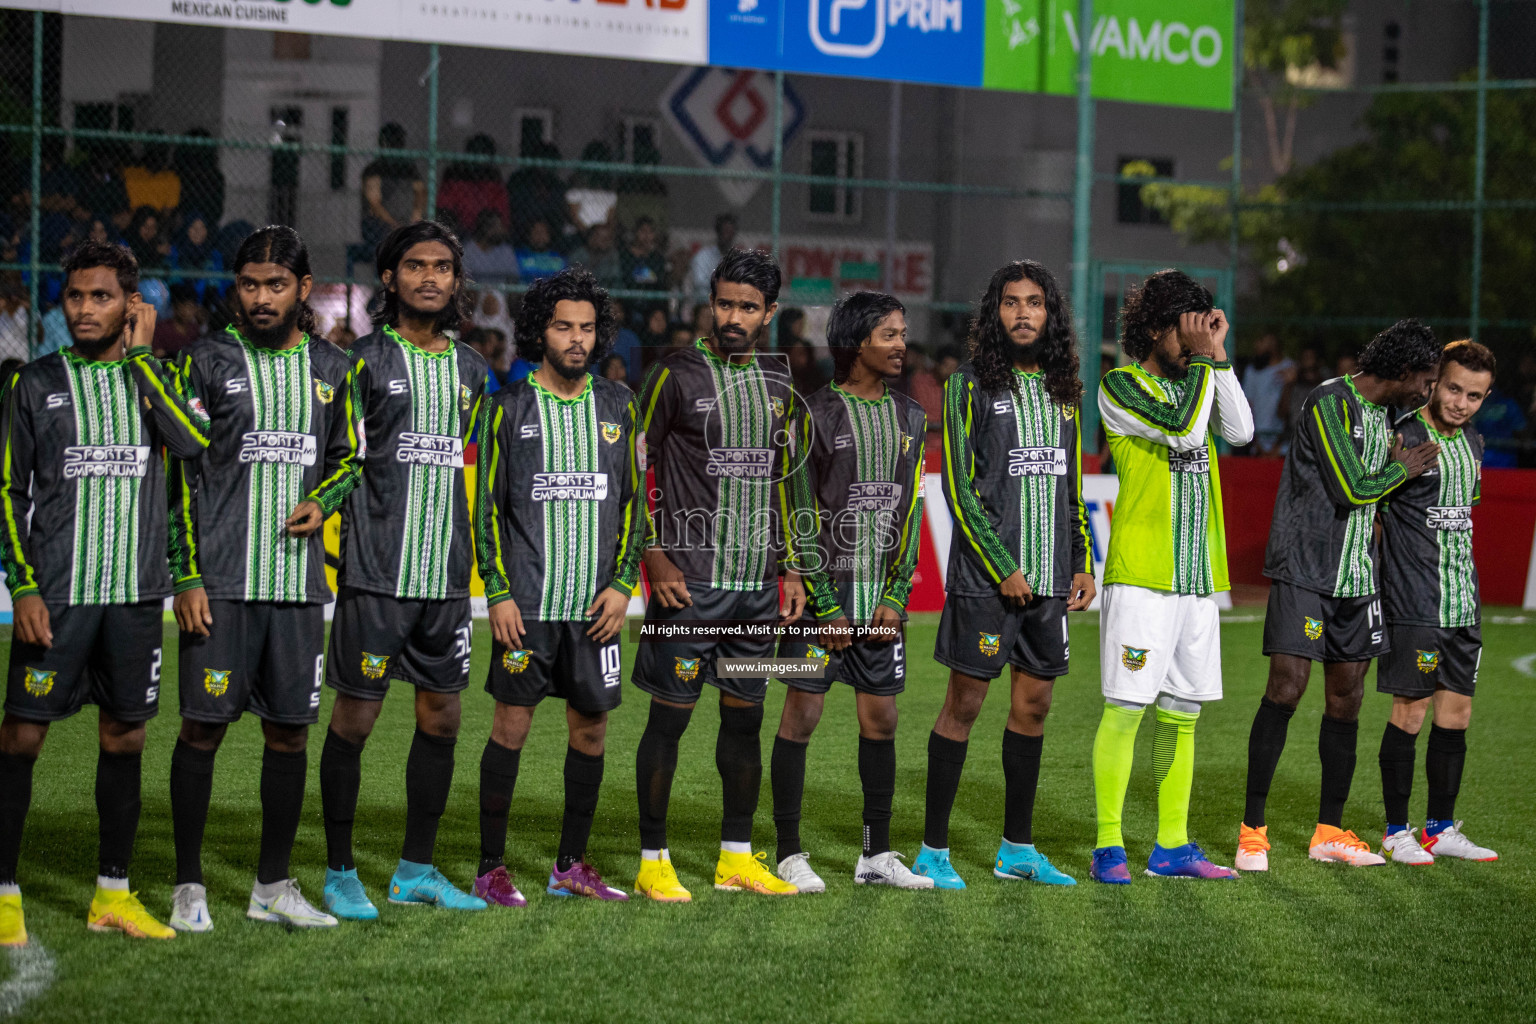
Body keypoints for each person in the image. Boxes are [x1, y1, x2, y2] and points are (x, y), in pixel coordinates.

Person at [0, 241, 209, 948]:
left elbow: (190, 451)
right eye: (75, 297)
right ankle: (3, 895)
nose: (85, 310)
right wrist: (22, 585)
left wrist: (146, 361)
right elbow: (7, 490)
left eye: (101, 298)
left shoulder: (157, 378)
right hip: (54, 600)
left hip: (133, 600)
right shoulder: (32, 383)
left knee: (125, 737)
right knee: (22, 737)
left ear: (131, 306)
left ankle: (112, 894)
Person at [165, 225, 362, 931]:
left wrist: (324, 499)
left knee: (288, 737)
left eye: (275, 284)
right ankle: (189, 888)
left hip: (298, 588)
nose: (259, 297)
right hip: (219, 583)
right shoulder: (206, 361)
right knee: (201, 731)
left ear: (303, 289)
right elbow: (180, 474)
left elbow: (349, 458)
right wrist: (185, 574)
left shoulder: (336, 369)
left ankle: (271, 887)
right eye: (248, 284)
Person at [317, 221, 490, 921]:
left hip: (446, 582)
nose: (429, 277)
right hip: (375, 576)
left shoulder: (474, 370)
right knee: (356, 720)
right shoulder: (358, 362)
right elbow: (342, 462)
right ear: (388, 279)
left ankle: (415, 870)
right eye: (415, 265)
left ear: (456, 280)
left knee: (443, 719)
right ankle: (338, 872)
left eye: (443, 266)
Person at [912, 260, 1094, 890]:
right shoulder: (967, 388)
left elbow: (1071, 485)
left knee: (1035, 707)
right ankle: (933, 851)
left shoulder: (1064, 389)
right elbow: (959, 490)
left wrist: (1080, 560)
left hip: (1047, 583)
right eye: (1011, 302)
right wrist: (1004, 567)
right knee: (964, 704)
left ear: (1051, 314)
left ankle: (1017, 848)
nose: (1023, 313)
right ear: (995, 313)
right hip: (989, 582)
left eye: (1035, 302)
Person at [631, 248, 805, 901]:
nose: (734, 316)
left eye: (748, 307)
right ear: (711, 303)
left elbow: (783, 482)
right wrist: (650, 552)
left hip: (755, 593)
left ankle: (735, 856)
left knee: (743, 721)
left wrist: (789, 567)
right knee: (669, 722)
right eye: (725, 303)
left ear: (770, 313)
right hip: (690, 583)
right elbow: (631, 468)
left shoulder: (778, 384)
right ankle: (653, 858)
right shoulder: (672, 375)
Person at [1236, 319, 1442, 871]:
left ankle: (1330, 830)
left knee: (1347, 698)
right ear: (1402, 372)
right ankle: (1252, 831)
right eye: (1425, 380)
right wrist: (1398, 470)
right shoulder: (1330, 401)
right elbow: (1351, 488)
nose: (1427, 392)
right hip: (1306, 567)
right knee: (1286, 688)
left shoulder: (1391, 417)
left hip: (1359, 575)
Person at [473, 267, 643, 906]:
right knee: (510, 728)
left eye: (588, 328)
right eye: (564, 327)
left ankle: (571, 865)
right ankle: (490, 867)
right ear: (539, 331)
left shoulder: (620, 407)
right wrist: (498, 590)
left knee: (591, 733)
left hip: (595, 610)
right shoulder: (505, 408)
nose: (577, 339)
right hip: (529, 609)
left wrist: (624, 583)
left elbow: (634, 504)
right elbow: (486, 507)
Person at [1090, 270, 1254, 884]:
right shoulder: (1120, 386)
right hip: (1142, 577)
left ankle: (1172, 847)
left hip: (1196, 578)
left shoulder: (1201, 379)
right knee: (1127, 708)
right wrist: (1206, 364)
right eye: (1184, 329)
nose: (1192, 343)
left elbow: (1241, 432)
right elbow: (1186, 429)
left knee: (1183, 713)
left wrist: (1219, 359)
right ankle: (1109, 846)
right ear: (1156, 329)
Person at [770, 292, 933, 892]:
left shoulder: (912, 418)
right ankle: (788, 852)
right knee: (802, 714)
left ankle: (875, 855)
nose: (900, 344)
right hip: (823, 605)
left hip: (879, 601)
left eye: (902, 333)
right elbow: (799, 515)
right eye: (888, 334)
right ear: (856, 341)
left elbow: (910, 512)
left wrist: (895, 596)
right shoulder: (810, 414)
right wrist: (827, 605)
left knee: (882, 720)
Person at [1376, 340, 1498, 864]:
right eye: (1453, 389)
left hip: (1461, 603)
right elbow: (1372, 511)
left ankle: (1439, 828)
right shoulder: (1402, 435)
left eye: (1474, 395)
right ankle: (1395, 830)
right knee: (1411, 711)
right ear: (1435, 384)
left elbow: (1462, 518)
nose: (1461, 402)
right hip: (1414, 602)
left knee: (1458, 713)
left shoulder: (1473, 443)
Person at [361, 124, 426, 257]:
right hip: (379, 225)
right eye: (392, 142)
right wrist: (394, 225)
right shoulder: (374, 169)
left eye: (398, 142)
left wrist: (416, 215)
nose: (396, 145)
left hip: (405, 222)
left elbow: (421, 192)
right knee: (391, 240)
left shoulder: (408, 168)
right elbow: (374, 203)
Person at [438, 134, 510, 241]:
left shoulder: (494, 179)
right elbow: (444, 208)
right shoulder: (454, 175)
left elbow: (502, 214)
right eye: (476, 153)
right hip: (460, 231)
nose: (479, 160)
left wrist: (490, 224)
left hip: (486, 234)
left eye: (483, 154)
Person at [1241, 333, 1293, 455]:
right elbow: (1248, 406)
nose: (1257, 346)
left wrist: (1279, 444)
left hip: (1284, 446)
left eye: (1262, 341)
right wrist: (1255, 441)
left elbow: (1290, 411)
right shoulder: (1251, 371)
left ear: (1274, 344)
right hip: (1257, 445)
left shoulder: (1290, 368)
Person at [122, 136, 181, 216]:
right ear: (146, 154)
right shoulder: (131, 172)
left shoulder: (171, 178)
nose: (157, 157)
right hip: (132, 217)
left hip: (156, 221)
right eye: (153, 153)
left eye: (160, 153)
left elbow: (168, 211)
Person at [686, 214, 739, 301]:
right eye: (725, 232)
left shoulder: (737, 259)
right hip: (705, 304)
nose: (728, 237)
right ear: (718, 233)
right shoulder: (703, 256)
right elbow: (700, 284)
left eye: (731, 233)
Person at [461, 211, 520, 286]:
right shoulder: (468, 250)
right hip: (476, 293)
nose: (502, 231)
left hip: (501, 293)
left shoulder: (506, 250)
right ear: (487, 229)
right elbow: (464, 281)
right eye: (499, 227)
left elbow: (513, 279)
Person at [154, 283, 204, 359]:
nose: (187, 311)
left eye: (191, 307)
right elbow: (158, 355)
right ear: (175, 307)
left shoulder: (194, 329)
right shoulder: (161, 329)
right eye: (184, 306)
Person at [570, 222, 623, 288]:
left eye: (608, 238)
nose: (606, 242)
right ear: (591, 238)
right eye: (602, 238)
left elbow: (614, 279)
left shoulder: (612, 255)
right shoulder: (579, 255)